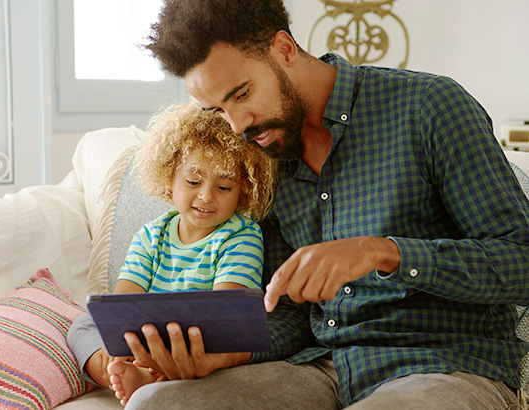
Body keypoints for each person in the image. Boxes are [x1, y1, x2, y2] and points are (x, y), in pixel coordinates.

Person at [116, 1, 529, 409]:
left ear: (284, 49)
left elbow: (521, 263)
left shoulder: (429, 106)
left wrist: (382, 252)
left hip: (442, 365)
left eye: (241, 94)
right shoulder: (265, 157)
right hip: (322, 368)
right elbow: (289, 311)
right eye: (219, 110)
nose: (238, 124)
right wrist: (229, 352)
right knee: (155, 404)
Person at [66, 101, 276, 406]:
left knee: (218, 346)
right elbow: (122, 303)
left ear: (243, 190)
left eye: (224, 187)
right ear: (170, 176)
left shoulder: (241, 235)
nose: (206, 196)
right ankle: (119, 371)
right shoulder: (151, 235)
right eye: (193, 181)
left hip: (196, 343)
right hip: (146, 336)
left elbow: (227, 315)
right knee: (82, 326)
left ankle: (149, 378)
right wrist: (122, 338)